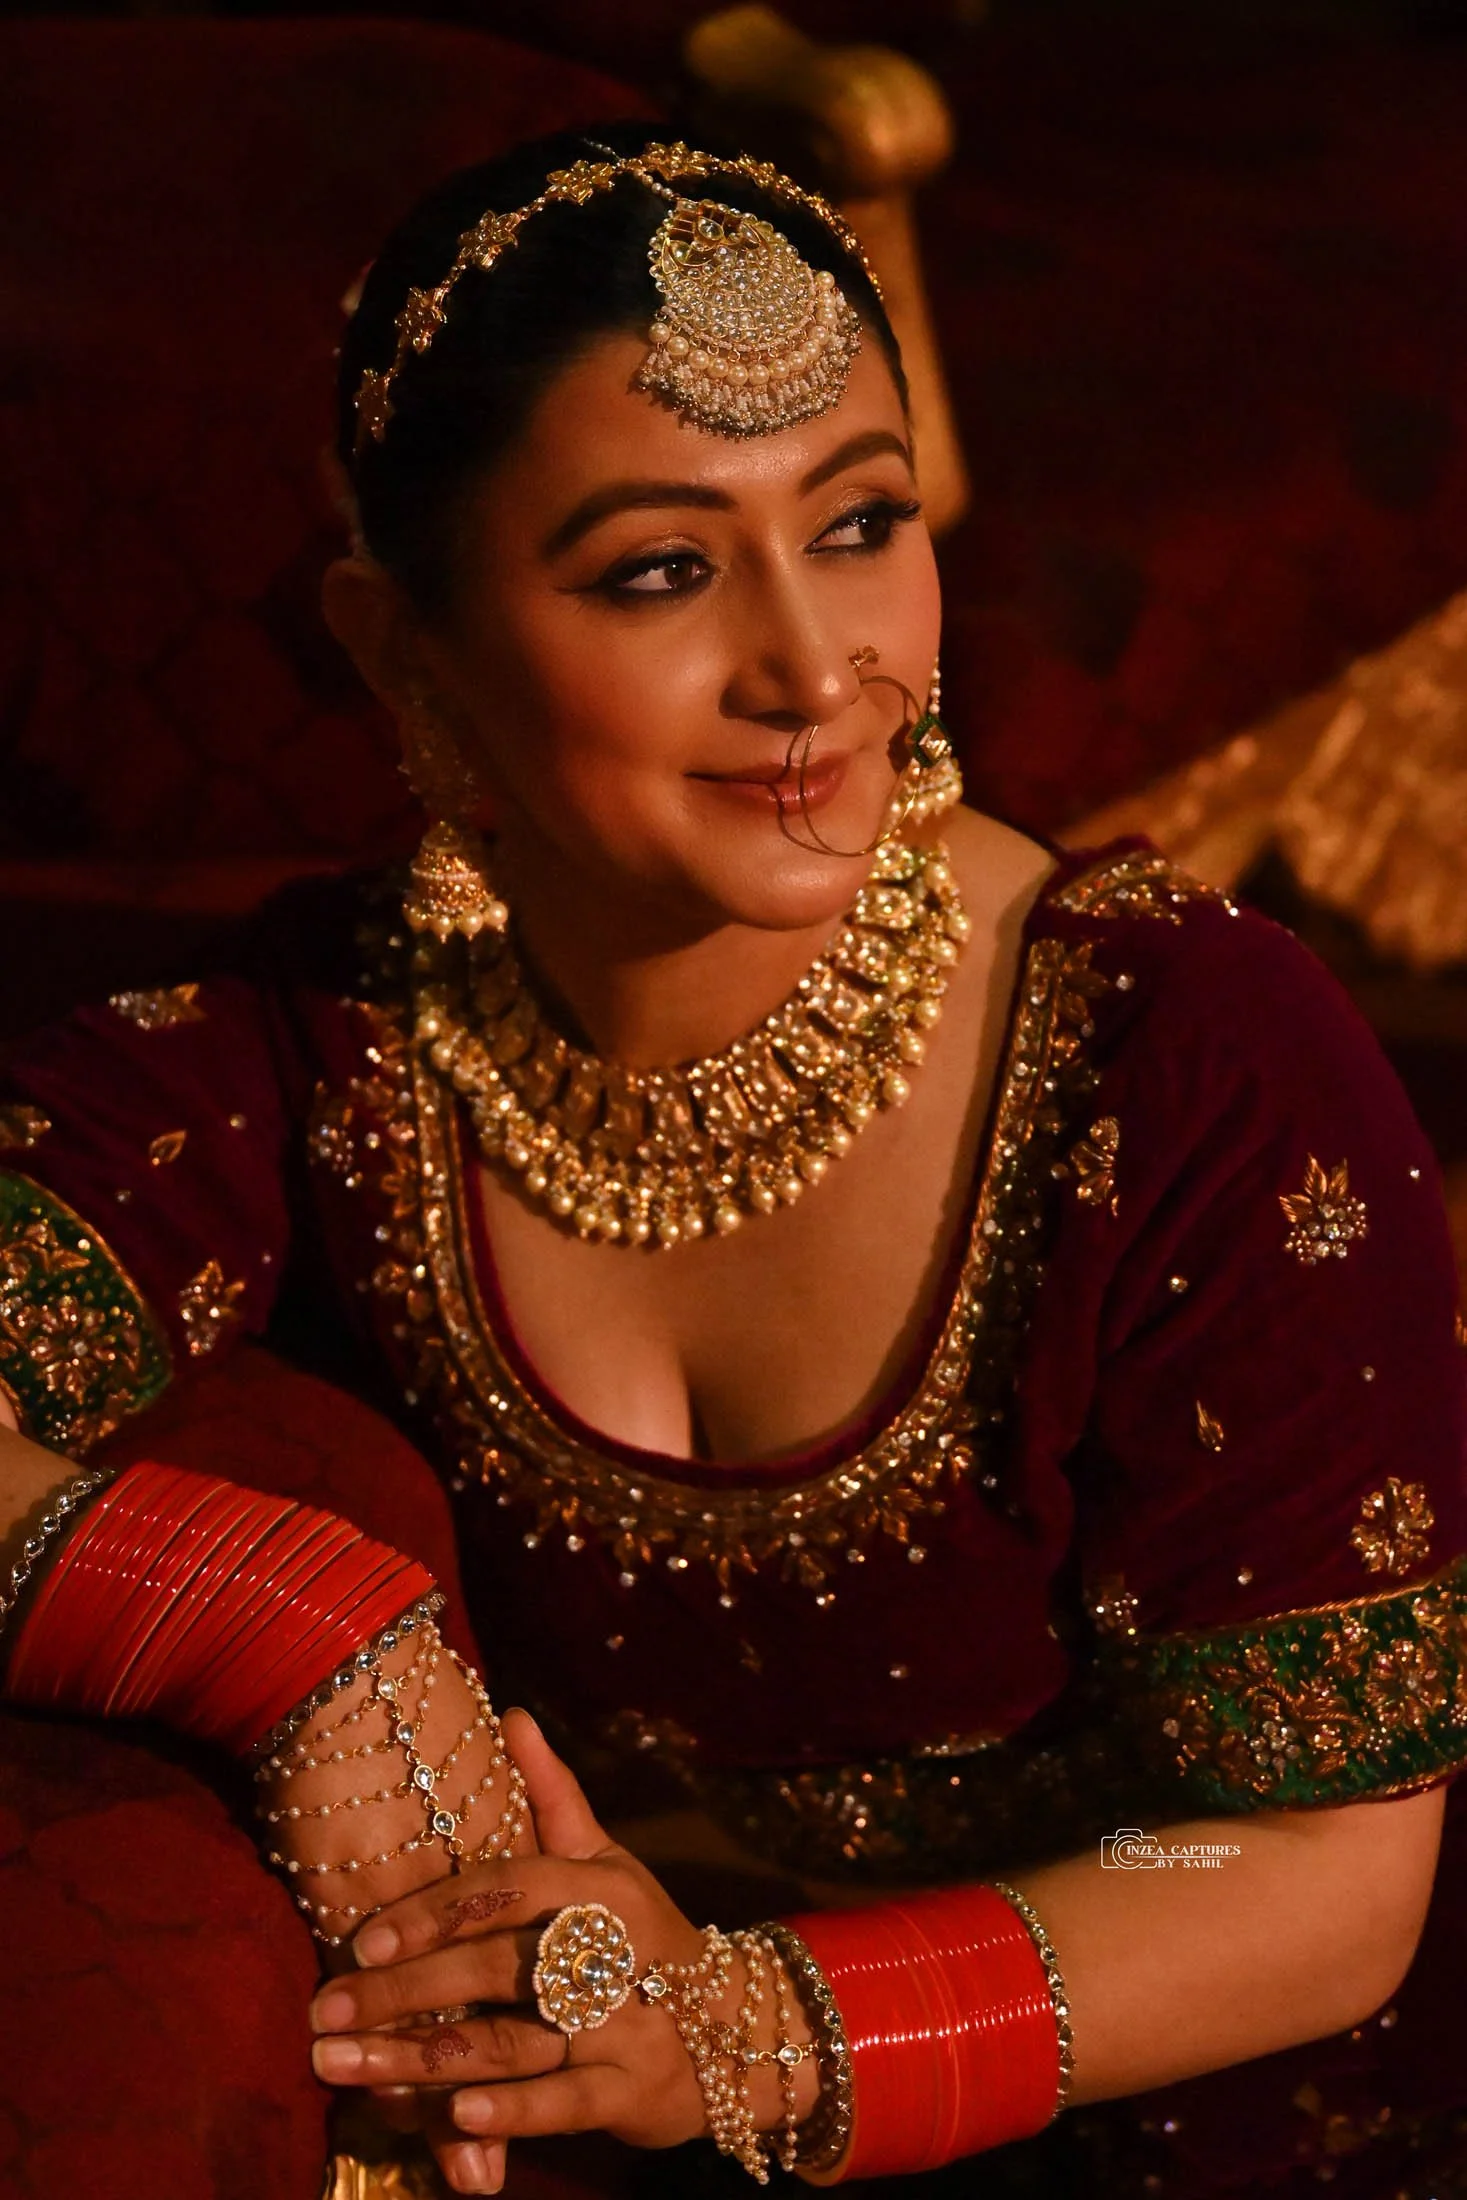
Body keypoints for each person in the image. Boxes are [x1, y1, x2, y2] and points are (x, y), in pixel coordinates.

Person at [2, 120, 1465, 2200]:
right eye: (661, 567)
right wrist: (274, 1618)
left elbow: (1330, 1875)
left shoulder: (1185, 1063)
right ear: (402, 650)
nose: (812, 670)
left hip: (1208, 2099)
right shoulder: (333, 1055)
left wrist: (740, 2032)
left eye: (860, 524)